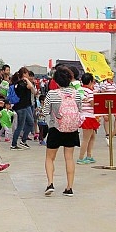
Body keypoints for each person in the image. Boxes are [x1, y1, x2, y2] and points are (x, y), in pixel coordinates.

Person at [42, 66, 81, 197]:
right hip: (72, 129)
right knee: (69, 158)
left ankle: (50, 184)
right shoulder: (76, 94)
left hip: (56, 128)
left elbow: (45, 111)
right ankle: (69, 187)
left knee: (50, 158)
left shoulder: (52, 94)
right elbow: (79, 109)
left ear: (56, 81)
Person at [11, 67, 36, 150]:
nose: (29, 75)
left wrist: (27, 80)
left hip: (25, 106)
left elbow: (34, 91)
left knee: (31, 123)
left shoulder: (23, 83)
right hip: (21, 107)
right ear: (24, 74)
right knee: (20, 126)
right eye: (27, 73)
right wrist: (27, 79)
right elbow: (30, 86)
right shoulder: (21, 83)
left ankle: (23, 140)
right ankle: (14, 144)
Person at [77, 73, 99, 164]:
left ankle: (89, 156)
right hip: (88, 116)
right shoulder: (89, 91)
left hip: (84, 115)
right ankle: (81, 158)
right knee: (86, 139)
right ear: (90, 81)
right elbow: (92, 103)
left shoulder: (80, 90)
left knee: (92, 136)